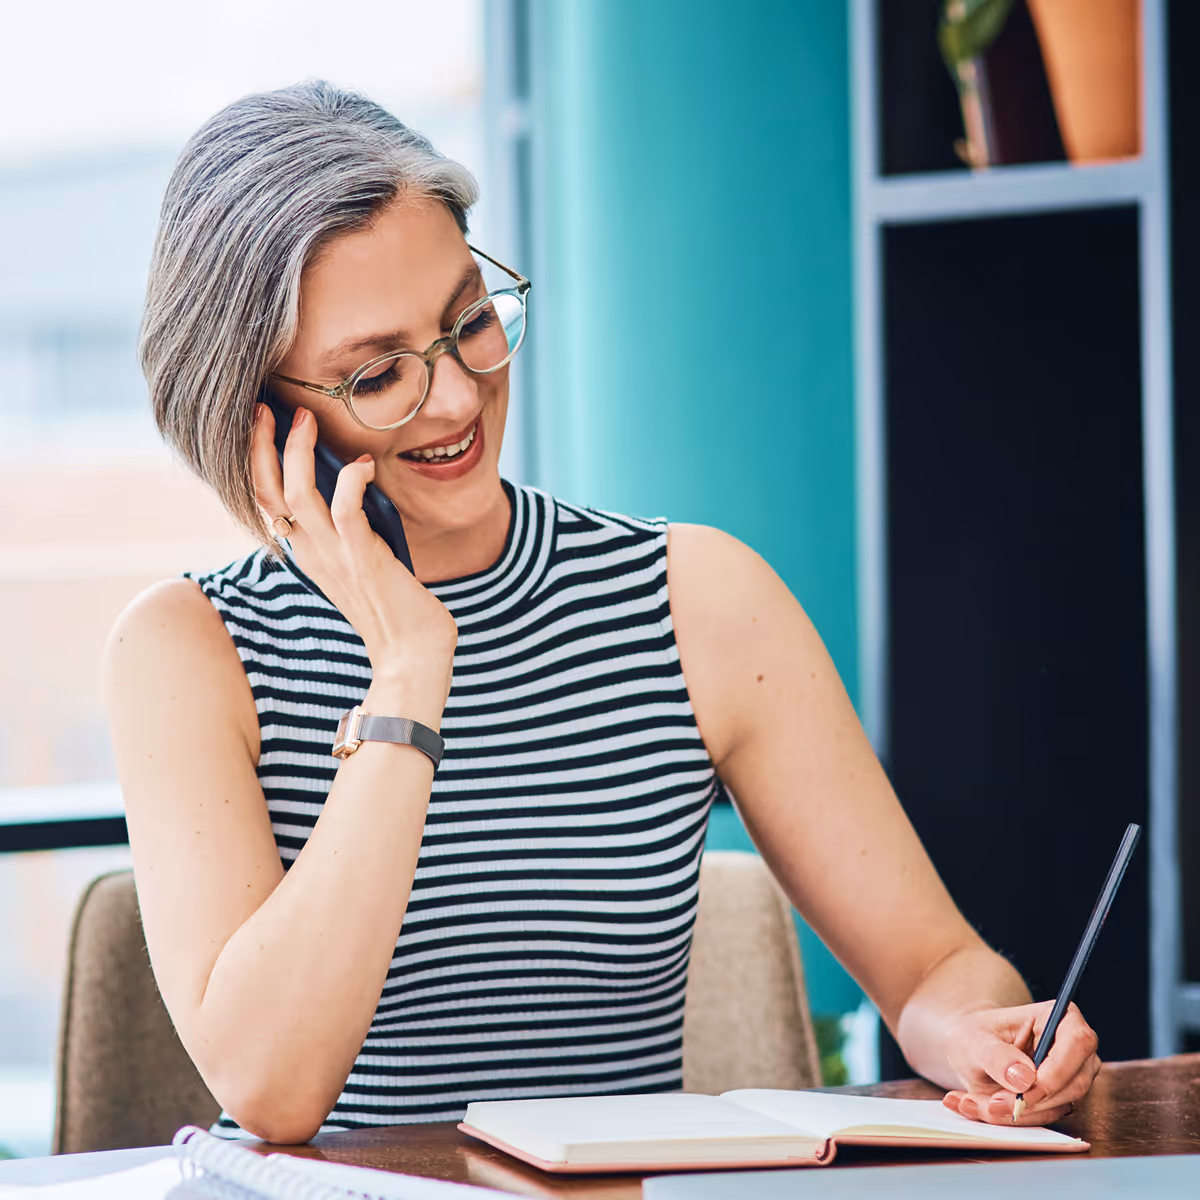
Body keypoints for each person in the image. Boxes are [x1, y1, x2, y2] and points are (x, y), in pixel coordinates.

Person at [104, 81, 1101, 1145]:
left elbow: (934, 968)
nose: (455, 398)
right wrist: (406, 676)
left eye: (469, 322)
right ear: (259, 415)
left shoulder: (694, 596)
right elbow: (273, 1086)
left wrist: (987, 1037)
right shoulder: (187, 653)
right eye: (379, 373)